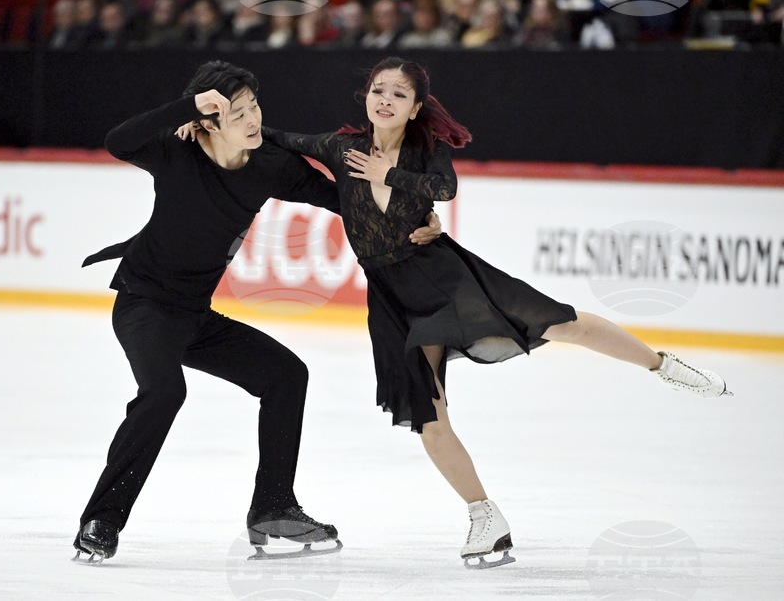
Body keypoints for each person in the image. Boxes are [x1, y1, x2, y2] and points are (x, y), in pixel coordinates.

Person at [241, 56, 732, 568]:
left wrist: (393, 174)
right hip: (390, 295)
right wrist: (209, 122)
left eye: (398, 95)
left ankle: (663, 365)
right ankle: (485, 516)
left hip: (443, 275)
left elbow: (444, 189)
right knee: (428, 415)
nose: (385, 100)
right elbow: (276, 138)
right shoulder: (340, 149)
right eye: (378, 90)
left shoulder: (423, 151)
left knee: (563, 323)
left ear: (413, 109)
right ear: (366, 97)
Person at [75, 60, 443, 562]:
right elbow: (118, 140)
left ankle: (273, 509)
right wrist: (187, 108)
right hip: (145, 306)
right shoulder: (175, 151)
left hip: (194, 317)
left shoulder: (269, 164)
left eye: (254, 108)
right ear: (208, 119)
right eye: (237, 113)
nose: (253, 121)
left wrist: (418, 215)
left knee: (286, 375)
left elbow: (344, 199)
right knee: (163, 393)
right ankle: (102, 519)